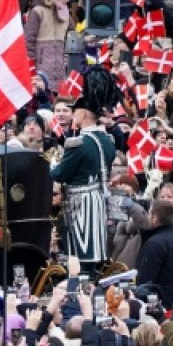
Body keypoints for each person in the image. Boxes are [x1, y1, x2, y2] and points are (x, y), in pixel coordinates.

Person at [51, 66, 119, 272]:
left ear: (85, 113)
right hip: (98, 199)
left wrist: (51, 164)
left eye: (75, 111)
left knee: (80, 254)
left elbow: (60, 174)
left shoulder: (78, 142)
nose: (73, 115)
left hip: (81, 202)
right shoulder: (108, 141)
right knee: (92, 251)